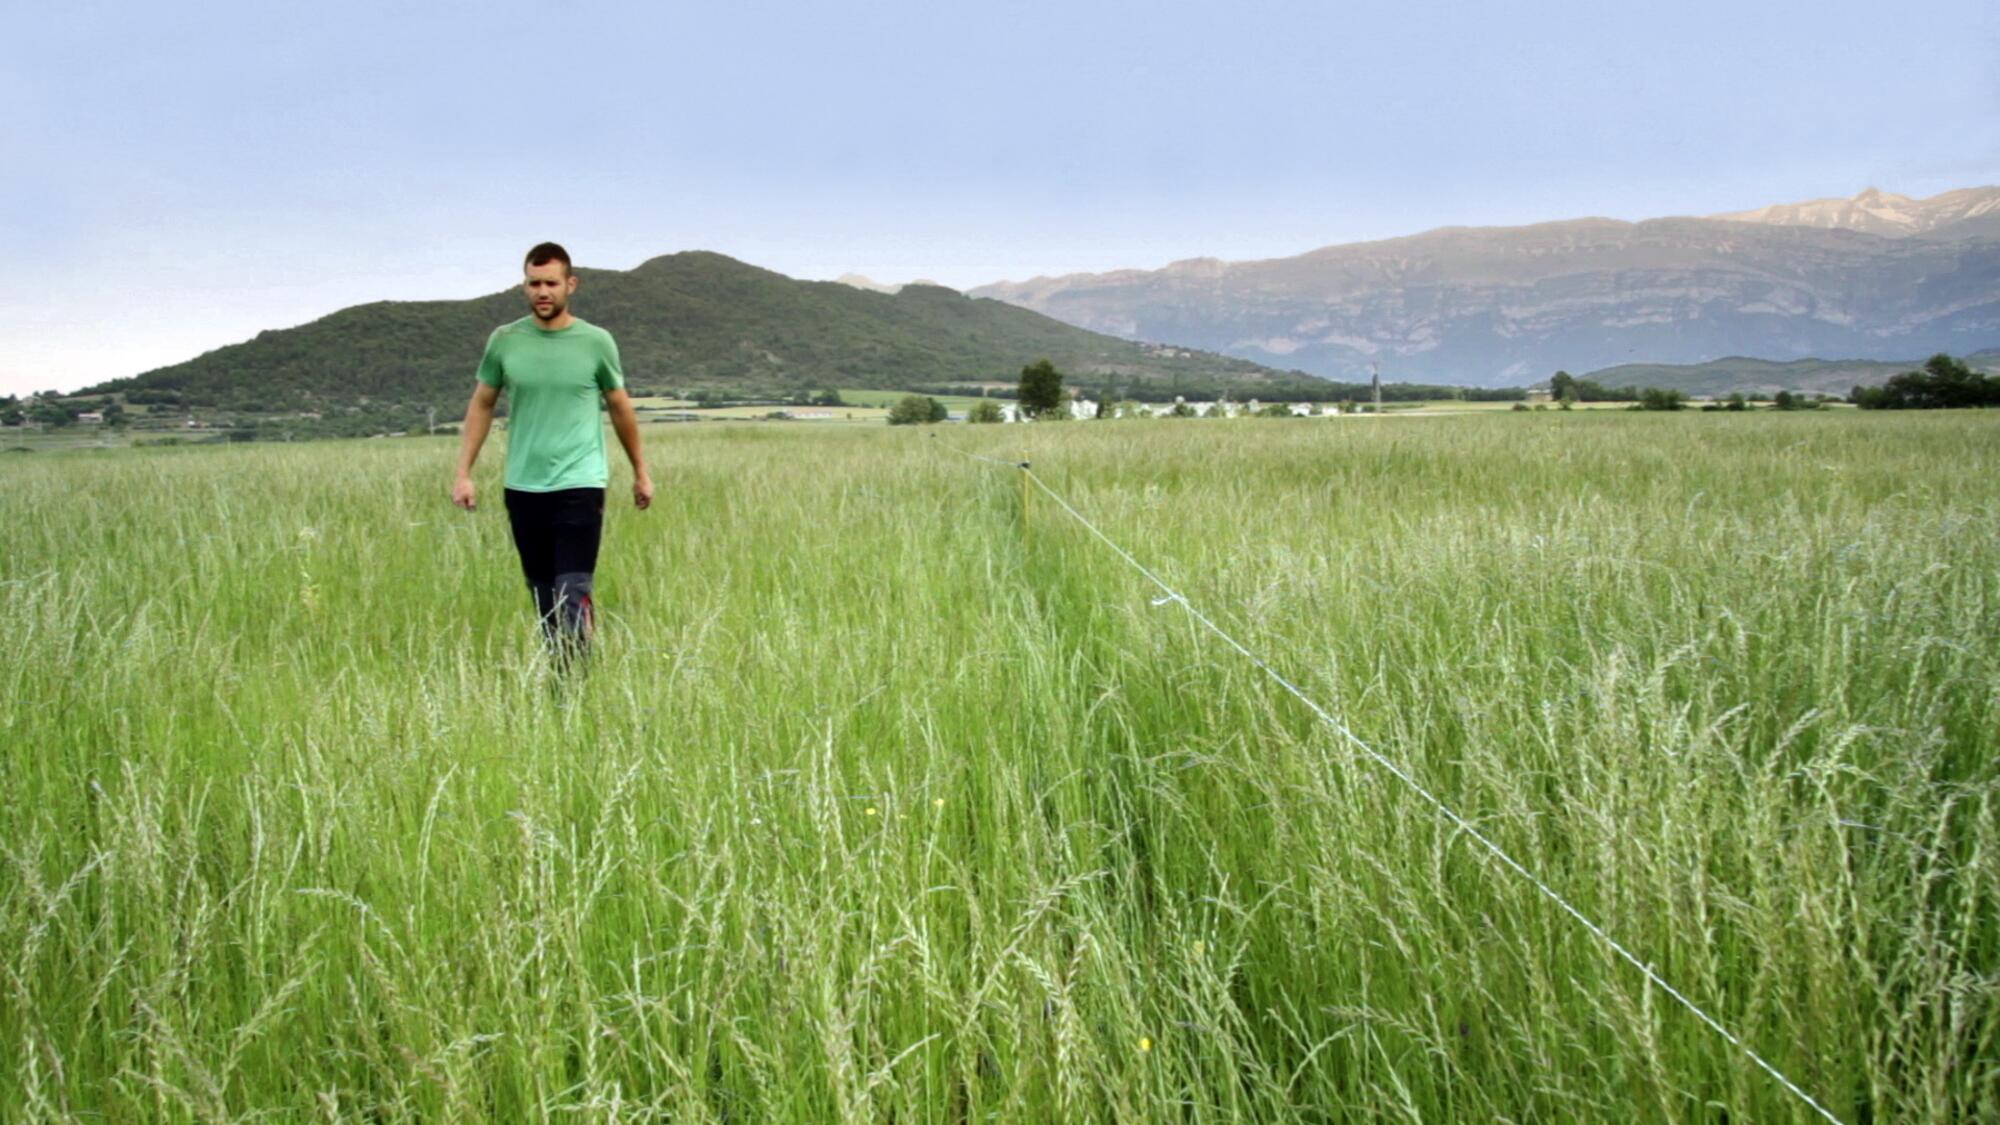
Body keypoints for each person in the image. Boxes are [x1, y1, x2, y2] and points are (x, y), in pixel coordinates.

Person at [452, 242, 653, 666]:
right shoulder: (505, 341)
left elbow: (619, 406)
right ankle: (558, 679)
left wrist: (641, 471)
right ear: (524, 285)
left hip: (580, 483)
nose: (542, 292)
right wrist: (463, 472)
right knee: (543, 594)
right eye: (534, 283)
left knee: (573, 589)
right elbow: (482, 404)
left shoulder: (596, 342)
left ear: (570, 285)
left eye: (551, 283)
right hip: (523, 486)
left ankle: (577, 682)